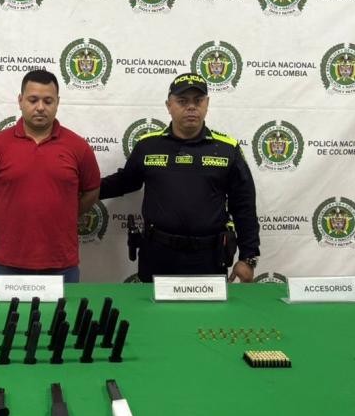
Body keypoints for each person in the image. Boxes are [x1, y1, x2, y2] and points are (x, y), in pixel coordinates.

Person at [100, 72, 260, 283]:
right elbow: (125, 182)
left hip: (208, 258)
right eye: (182, 101)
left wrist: (248, 257)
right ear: (169, 105)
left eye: (198, 100)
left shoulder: (227, 149)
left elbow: (244, 205)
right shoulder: (148, 145)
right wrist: (81, 189)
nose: (191, 107)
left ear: (207, 104)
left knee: (209, 308)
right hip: (157, 255)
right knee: (152, 306)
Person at [0, 69, 100, 283]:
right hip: (8, 263)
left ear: (58, 102)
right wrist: (4, 213)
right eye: (33, 100)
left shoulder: (78, 147)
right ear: (20, 101)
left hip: (61, 263)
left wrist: (65, 213)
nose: (40, 107)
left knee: (65, 308)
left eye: (48, 101)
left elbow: (91, 192)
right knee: (7, 309)